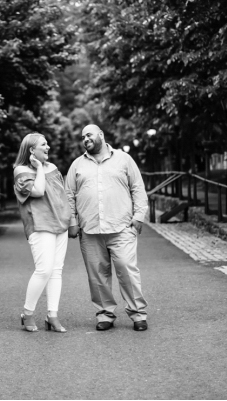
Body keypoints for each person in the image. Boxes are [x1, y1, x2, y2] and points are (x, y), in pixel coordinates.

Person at [65, 124, 150, 331]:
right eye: (83, 136)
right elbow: (68, 196)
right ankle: (105, 314)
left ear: (101, 135)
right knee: (97, 276)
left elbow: (137, 187)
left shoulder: (124, 159)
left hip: (121, 227)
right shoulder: (77, 165)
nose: (85, 139)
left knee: (128, 272)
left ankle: (138, 314)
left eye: (89, 134)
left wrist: (139, 216)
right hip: (90, 230)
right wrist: (73, 223)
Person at [13, 132, 74, 333]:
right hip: (39, 224)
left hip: (59, 223)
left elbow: (62, 195)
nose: (48, 147)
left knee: (56, 270)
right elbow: (38, 191)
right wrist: (39, 167)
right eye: (44, 144)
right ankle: (27, 314)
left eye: (47, 144)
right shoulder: (21, 170)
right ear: (32, 150)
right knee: (44, 270)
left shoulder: (54, 168)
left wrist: (71, 220)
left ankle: (52, 316)